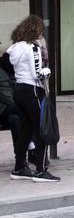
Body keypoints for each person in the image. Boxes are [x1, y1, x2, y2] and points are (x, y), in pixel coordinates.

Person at [7, 15, 60, 182]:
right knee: (41, 128)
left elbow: (10, 67)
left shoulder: (14, 48)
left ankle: (19, 167)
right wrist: (48, 71)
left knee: (26, 129)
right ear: (36, 30)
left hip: (19, 90)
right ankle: (40, 170)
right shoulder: (33, 48)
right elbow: (38, 74)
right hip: (34, 91)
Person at [0, 49, 30, 180]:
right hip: (4, 108)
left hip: (9, 111)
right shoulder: (2, 73)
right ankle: (31, 151)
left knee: (16, 120)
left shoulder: (13, 70)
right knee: (28, 116)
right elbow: (8, 97)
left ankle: (20, 162)